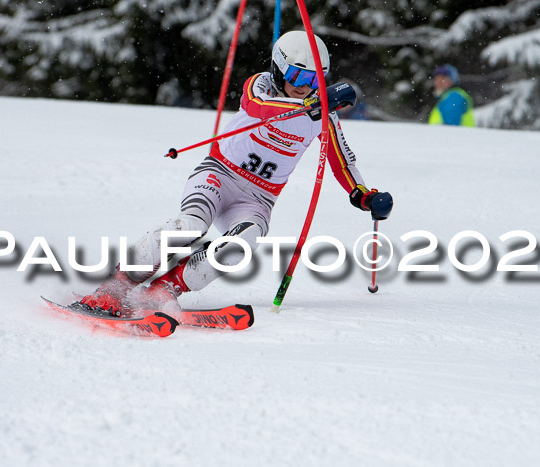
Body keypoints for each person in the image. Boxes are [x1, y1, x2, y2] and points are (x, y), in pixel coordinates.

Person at [80, 30, 393, 316]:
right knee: (189, 226)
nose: (304, 86)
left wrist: (364, 196)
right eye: (297, 75)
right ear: (280, 69)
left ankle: (165, 290)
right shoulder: (261, 85)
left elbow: (343, 161)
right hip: (219, 175)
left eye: (316, 79)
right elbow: (259, 107)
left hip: (258, 199)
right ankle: (115, 286)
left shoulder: (323, 115)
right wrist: (313, 107)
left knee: (242, 244)